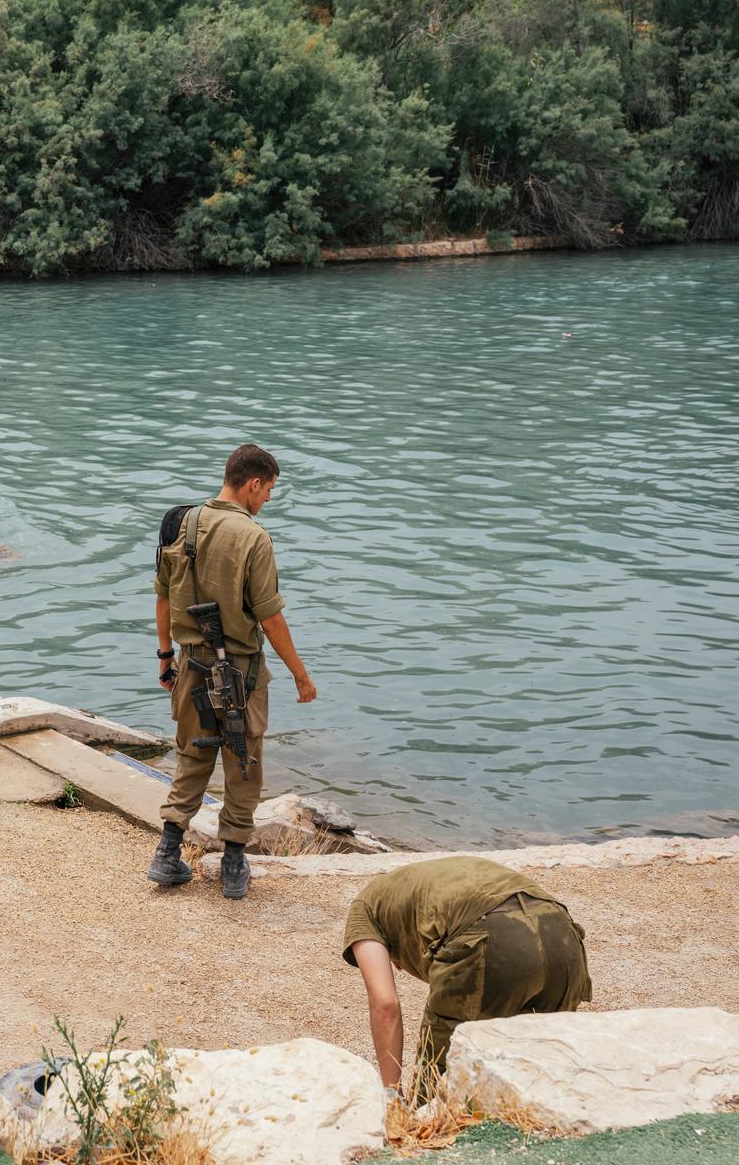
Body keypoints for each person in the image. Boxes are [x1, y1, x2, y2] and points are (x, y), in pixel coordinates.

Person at [147, 444, 316, 901]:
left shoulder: (181, 523)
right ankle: (234, 860)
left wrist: (166, 657)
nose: (268, 499)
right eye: (269, 490)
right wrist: (300, 674)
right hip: (239, 670)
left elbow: (162, 597)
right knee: (244, 761)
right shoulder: (253, 537)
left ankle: (167, 851)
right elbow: (270, 617)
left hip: (188, 664)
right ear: (253, 483)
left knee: (191, 756)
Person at [344, 856, 591, 1099]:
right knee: (541, 1077)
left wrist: (392, 1091)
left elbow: (385, 1003)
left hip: (490, 934)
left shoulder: (364, 908)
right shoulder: (421, 887)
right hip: (561, 933)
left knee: (437, 1091)